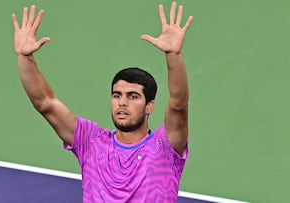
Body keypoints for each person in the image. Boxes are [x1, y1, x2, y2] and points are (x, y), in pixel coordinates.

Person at [12, 2, 193, 202]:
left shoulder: (165, 147)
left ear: (149, 105)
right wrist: (24, 57)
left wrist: (173, 55)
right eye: (117, 95)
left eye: (133, 96)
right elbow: (45, 103)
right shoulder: (91, 142)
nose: (122, 102)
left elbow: (179, 103)